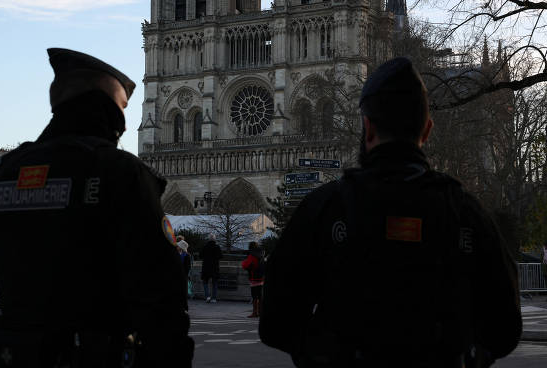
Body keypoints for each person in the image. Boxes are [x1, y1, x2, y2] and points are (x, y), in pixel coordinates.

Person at [259, 57, 522, 367]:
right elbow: (505, 328)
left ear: (367, 129)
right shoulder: (466, 212)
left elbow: (275, 323)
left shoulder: (325, 209)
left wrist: (324, 352)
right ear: (427, 130)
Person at [0, 48, 194, 367]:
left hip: (16, 352)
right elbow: (158, 285)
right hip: (91, 353)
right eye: (122, 107)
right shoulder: (118, 170)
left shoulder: (7, 171)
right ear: (106, 109)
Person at [242, 241, 266, 318]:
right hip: (261, 278)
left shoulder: (252, 255)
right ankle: (260, 312)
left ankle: (255, 312)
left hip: (254, 278)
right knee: (260, 296)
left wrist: (244, 263)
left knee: (254, 296)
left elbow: (245, 265)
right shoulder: (262, 254)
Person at [200, 234, 223, 303]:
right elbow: (221, 256)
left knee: (205, 282)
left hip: (206, 267)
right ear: (214, 239)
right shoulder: (217, 247)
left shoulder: (205, 247)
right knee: (214, 283)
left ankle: (207, 296)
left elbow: (200, 255)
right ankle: (214, 298)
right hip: (214, 267)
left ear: (208, 239)